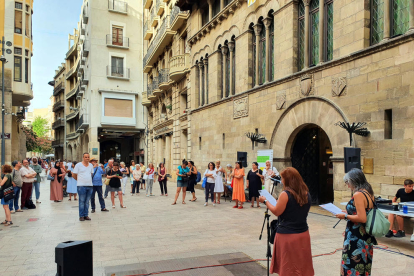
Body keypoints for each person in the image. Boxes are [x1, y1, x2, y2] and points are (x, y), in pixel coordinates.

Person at [258, 167, 313, 276]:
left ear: (288, 180)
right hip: (303, 233)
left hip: (287, 235)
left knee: (288, 267)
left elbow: (277, 211)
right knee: (301, 265)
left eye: (283, 179)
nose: (281, 181)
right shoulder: (306, 193)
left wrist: (265, 201)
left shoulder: (286, 194)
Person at [335, 168, 376, 276]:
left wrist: (345, 216)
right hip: (365, 236)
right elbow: (363, 212)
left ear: (354, 180)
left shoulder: (358, 194)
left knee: (352, 264)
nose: (347, 185)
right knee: (363, 264)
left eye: (347, 182)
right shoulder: (369, 193)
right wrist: (347, 212)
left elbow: (362, 218)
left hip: (356, 235)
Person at [72, 153, 94, 221]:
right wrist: (79, 180)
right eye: (86, 157)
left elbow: (91, 174)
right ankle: (81, 216)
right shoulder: (78, 165)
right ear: (83, 158)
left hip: (89, 185)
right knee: (82, 201)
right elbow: (74, 174)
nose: (87, 158)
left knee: (87, 201)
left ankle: (86, 215)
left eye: (88, 157)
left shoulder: (91, 165)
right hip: (81, 186)